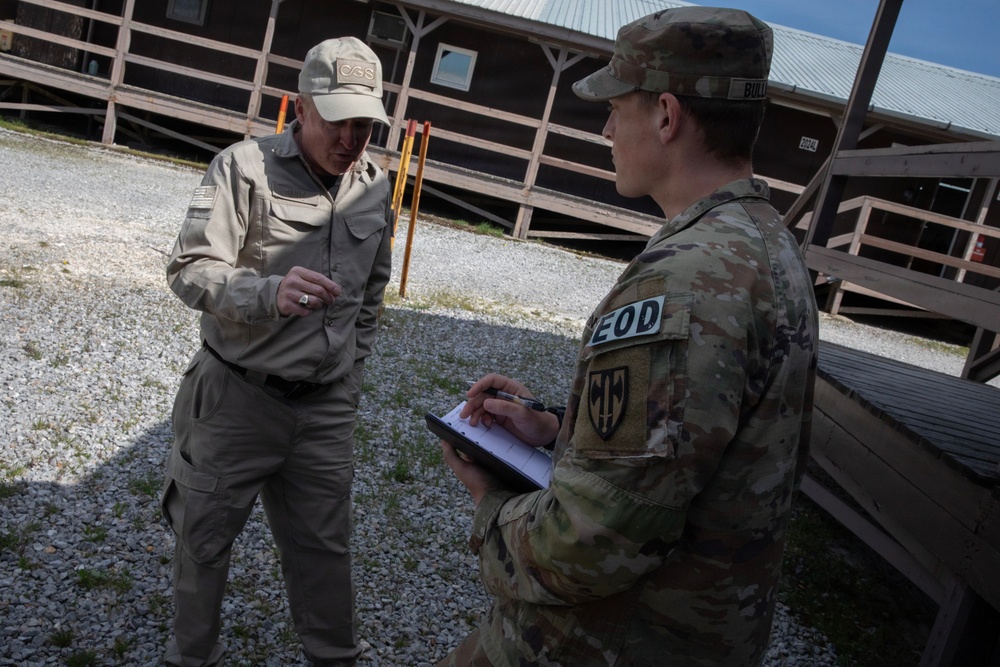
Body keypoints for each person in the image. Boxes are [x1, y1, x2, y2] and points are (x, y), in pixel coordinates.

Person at [437, 7, 818, 667]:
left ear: (667, 116)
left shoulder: (684, 280)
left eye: (619, 106)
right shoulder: (768, 244)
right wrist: (558, 426)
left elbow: (589, 541)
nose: (608, 128)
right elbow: (693, 442)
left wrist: (489, 501)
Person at [160, 37, 393, 667]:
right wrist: (267, 293)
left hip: (324, 411)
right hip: (238, 397)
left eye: (366, 123)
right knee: (203, 543)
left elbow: (371, 295)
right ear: (304, 106)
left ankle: (334, 658)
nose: (353, 137)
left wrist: (349, 374)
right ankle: (191, 658)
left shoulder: (375, 185)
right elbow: (188, 269)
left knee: (325, 550)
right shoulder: (244, 167)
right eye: (340, 119)